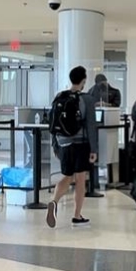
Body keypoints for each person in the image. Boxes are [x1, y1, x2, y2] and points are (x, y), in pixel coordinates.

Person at [47, 66, 99, 228]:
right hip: (81, 144)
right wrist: (94, 149)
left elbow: (53, 122)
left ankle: (54, 201)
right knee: (80, 179)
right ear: (83, 81)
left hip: (63, 143)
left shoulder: (60, 96)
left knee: (67, 176)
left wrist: (55, 144)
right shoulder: (87, 99)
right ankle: (77, 216)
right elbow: (91, 125)